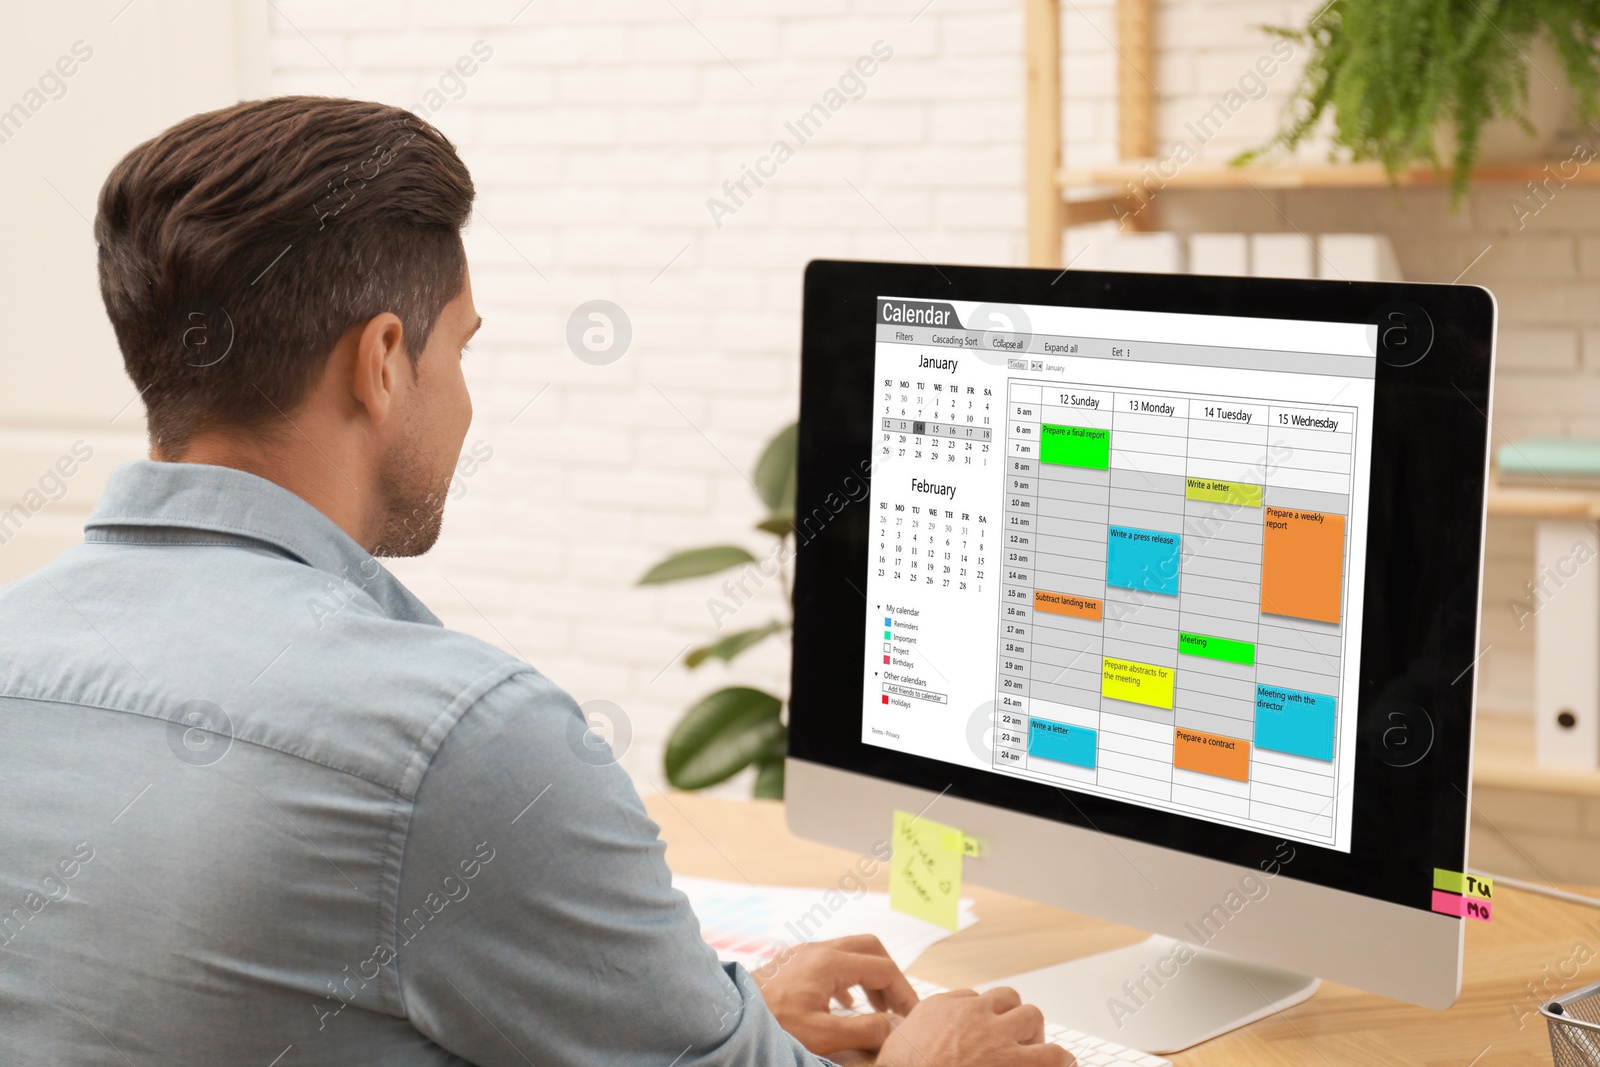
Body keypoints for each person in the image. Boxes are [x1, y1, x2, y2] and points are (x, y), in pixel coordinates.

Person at [0, 96, 1069, 1066]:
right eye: (460, 349)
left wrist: (719, 1019)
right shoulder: (459, 742)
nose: (464, 401)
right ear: (379, 362)